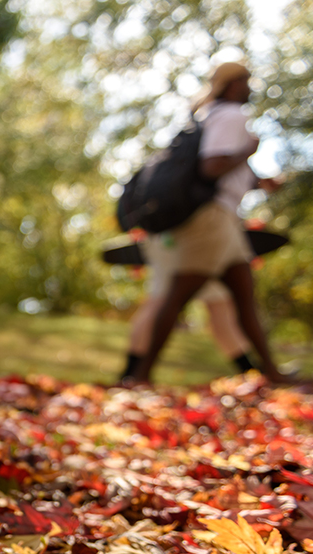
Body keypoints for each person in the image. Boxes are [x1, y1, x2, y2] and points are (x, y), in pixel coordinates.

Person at [130, 61, 286, 385]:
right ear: (231, 85)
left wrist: (258, 182)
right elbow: (212, 167)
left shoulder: (211, 116)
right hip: (211, 219)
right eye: (245, 81)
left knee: (243, 297)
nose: (250, 87)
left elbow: (222, 170)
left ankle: (271, 373)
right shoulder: (231, 116)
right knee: (178, 296)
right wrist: (248, 150)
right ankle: (140, 374)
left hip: (225, 218)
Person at [119, 233, 255, 382]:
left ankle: (251, 372)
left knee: (218, 311)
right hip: (194, 238)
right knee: (161, 303)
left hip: (167, 239)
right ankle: (133, 374)